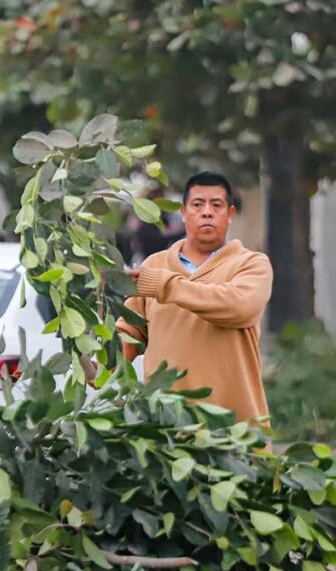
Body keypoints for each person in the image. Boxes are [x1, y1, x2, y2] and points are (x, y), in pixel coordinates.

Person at [117, 172, 273, 423]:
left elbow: (238, 306)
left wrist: (162, 284)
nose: (207, 212)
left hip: (235, 432)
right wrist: (97, 363)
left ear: (230, 214)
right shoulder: (155, 264)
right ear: (183, 212)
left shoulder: (251, 264)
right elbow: (129, 332)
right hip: (167, 434)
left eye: (217, 205)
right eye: (198, 204)